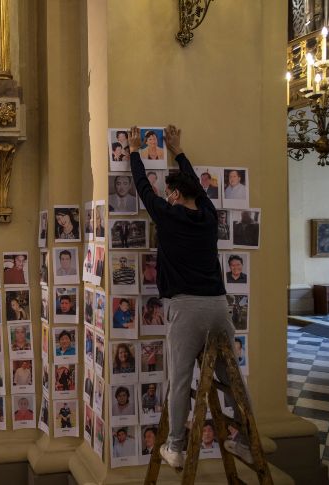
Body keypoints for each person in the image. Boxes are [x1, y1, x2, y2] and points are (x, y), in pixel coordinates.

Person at [127, 125, 251, 467]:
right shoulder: (210, 217)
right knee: (232, 379)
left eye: (170, 193)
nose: (167, 198)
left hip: (185, 308)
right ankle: (247, 442)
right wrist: (178, 153)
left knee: (180, 379)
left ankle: (177, 448)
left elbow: (142, 189)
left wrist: (135, 152)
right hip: (218, 306)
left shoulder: (170, 214)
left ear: (177, 196)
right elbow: (195, 185)